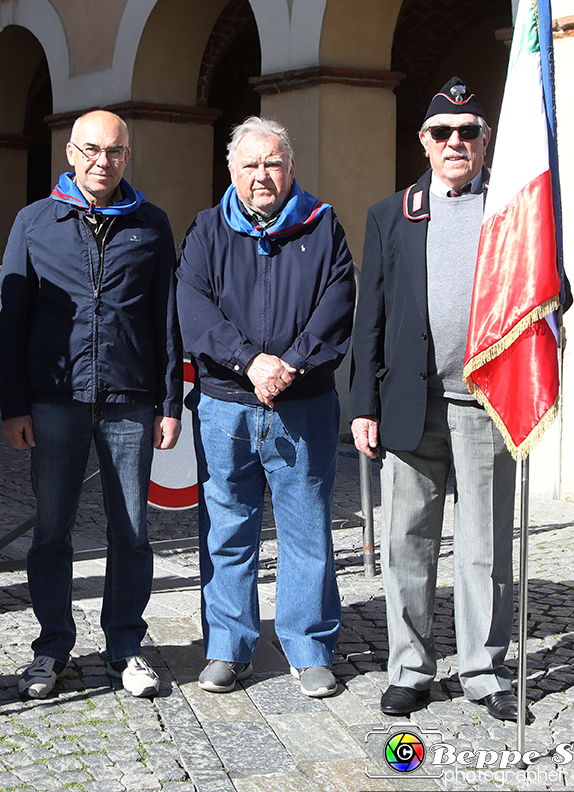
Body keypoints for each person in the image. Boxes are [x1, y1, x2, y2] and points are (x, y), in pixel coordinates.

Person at [350, 77, 524, 721]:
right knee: (407, 543)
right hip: (409, 404)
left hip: (486, 403)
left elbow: (549, 291)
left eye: (469, 132)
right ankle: (410, 668)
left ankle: (483, 670)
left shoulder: (514, 212)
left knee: (484, 545)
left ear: (485, 142)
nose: (457, 143)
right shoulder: (391, 213)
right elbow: (372, 316)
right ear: (424, 142)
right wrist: (362, 404)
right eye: (443, 133)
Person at [0, 109, 182, 700]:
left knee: (131, 532)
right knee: (52, 530)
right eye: (94, 150)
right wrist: (13, 405)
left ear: (129, 157)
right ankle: (51, 646)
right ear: (72, 154)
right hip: (55, 403)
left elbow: (167, 320)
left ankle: (125, 645)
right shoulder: (33, 222)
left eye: (117, 151)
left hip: (130, 400)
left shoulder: (151, 224)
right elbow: (11, 322)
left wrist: (170, 402)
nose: (105, 161)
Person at [177, 117, 355, 697]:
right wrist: (249, 361)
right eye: (250, 165)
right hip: (225, 403)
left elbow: (337, 302)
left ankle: (309, 647)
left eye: (272, 163)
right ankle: (229, 646)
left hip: (301, 404)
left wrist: (292, 364)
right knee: (227, 528)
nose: (262, 175)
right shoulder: (207, 230)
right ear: (231, 171)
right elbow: (193, 306)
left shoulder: (322, 226)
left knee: (306, 530)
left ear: (290, 168)